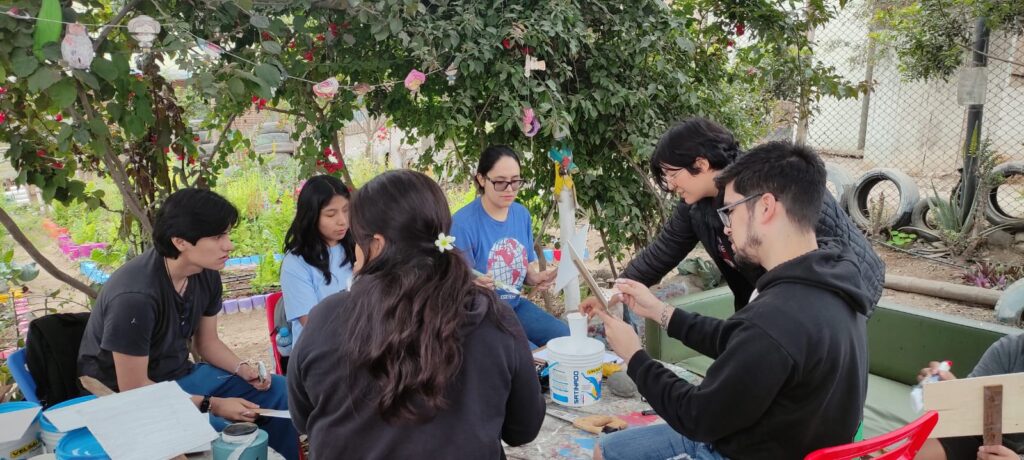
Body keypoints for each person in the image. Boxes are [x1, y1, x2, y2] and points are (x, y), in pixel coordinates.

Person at [587, 142, 872, 460]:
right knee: (608, 448)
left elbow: (696, 416)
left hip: (741, 447)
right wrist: (659, 310)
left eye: (730, 211)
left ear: (765, 207)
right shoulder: (833, 281)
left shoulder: (775, 319)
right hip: (782, 437)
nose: (726, 227)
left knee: (604, 453)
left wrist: (634, 356)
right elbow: (739, 341)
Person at [287, 170, 544, 458]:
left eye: (357, 241)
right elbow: (523, 428)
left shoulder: (325, 318)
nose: (355, 251)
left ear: (377, 245)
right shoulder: (491, 316)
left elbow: (303, 418)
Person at [579, 117, 884, 314]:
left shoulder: (769, 183)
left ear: (701, 164)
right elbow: (663, 250)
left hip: (843, 289)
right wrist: (613, 292)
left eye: (672, 174)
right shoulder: (696, 205)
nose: (669, 185)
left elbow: (830, 251)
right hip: (770, 300)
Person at [77, 189, 299, 460]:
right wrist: (213, 405)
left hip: (179, 376)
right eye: (217, 237)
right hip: (123, 396)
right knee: (220, 432)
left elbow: (207, 342)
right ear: (180, 241)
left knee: (280, 391)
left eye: (227, 235)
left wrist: (242, 369)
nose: (229, 245)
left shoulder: (204, 273)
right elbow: (133, 388)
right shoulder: (135, 297)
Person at [451, 145, 568, 348]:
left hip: (514, 306)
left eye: (515, 181)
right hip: (481, 314)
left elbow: (524, 269)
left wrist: (534, 278)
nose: (509, 189)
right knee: (527, 355)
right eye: (500, 182)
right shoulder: (462, 224)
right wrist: (472, 285)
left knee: (564, 336)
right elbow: (452, 287)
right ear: (481, 179)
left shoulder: (521, 215)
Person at [915, 333, 1024, 460]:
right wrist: (951, 388)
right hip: (978, 434)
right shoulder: (1011, 348)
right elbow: (973, 403)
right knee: (918, 452)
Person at [280, 174, 355, 348]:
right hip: (321, 352)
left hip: (361, 345)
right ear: (312, 216)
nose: (342, 221)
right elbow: (314, 326)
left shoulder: (358, 248)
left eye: (346, 210)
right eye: (331, 214)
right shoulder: (296, 264)